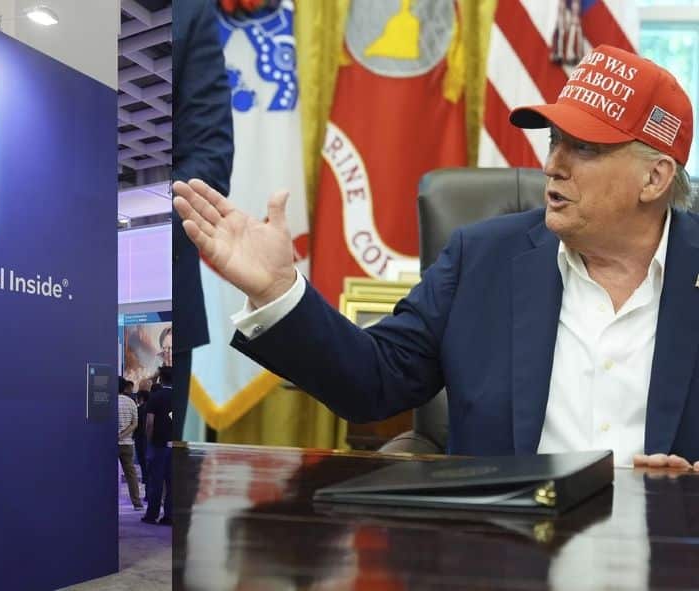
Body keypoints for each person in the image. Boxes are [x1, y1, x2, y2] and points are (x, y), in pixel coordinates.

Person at [173, 45, 699, 469]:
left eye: (584, 148)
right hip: (507, 543)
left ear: (654, 178)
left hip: (667, 548)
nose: (553, 166)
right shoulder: (483, 259)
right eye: (554, 142)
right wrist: (276, 291)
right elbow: (373, 382)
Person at [172, 0, 235, 440]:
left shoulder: (189, 11)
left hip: (162, 289)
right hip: (26, 277)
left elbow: (209, 162)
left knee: (152, 467)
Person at [142, 366, 174, 525]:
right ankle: (169, 516)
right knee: (172, 483)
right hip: (176, 445)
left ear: (161, 379)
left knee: (156, 481)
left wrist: (149, 441)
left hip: (159, 444)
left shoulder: (155, 397)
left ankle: (152, 515)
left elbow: (149, 423)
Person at [117, 378, 143, 511]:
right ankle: (137, 503)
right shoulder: (131, 402)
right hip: (127, 443)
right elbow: (135, 424)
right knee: (131, 475)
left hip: (111, 444)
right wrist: (123, 435)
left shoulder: (110, 402)